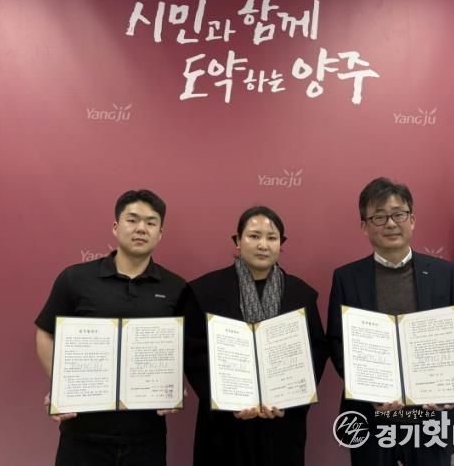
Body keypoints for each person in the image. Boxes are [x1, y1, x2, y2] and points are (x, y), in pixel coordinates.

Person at [327, 177, 454, 466]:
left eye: (398, 214)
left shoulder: (444, 273)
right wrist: (368, 391)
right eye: (379, 217)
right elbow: (337, 342)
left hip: (431, 417)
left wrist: (451, 389)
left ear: (412, 220)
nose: (391, 224)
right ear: (364, 226)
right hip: (372, 417)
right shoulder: (346, 278)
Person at [35, 189, 187, 466]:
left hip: (146, 438)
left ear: (160, 233)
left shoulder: (176, 287)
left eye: (151, 222)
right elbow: (45, 332)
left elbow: (182, 348)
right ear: (116, 227)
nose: (141, 228)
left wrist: (174, 385)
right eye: (132, 219)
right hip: (83, 435)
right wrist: (60, 384)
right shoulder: (75, 278)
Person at [184, 206, 329, 466]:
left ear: (281, 244)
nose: (263, 245)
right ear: (238, 241)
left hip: (282, 421)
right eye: (253, 236)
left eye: (272, 238)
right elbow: (194, 354)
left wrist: (291, 398)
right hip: (225, 424)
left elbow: (316, 351)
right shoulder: (205, 291)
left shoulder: (301, 295)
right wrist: (228, 400)